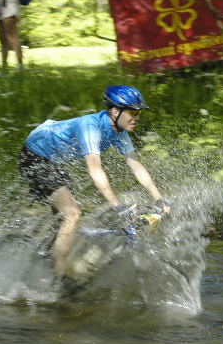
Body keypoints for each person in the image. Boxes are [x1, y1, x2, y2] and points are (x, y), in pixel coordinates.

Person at [19, 85, 171, 276]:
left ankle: (48, 252)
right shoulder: (90, 127)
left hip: (53, 162)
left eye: (138, 112)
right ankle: (57, 278)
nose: (137, 117)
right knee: (72, 214)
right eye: (132, 112)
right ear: (115, 111)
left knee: (66, 222)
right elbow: (95, 169)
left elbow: (135, 165)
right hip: (34, 157)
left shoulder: (119, 132)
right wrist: (117, 205)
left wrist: (159, 198)